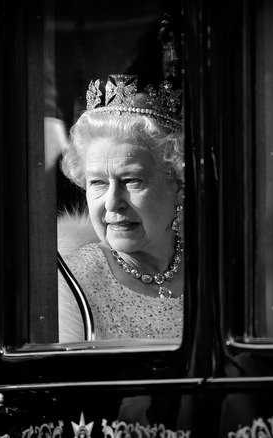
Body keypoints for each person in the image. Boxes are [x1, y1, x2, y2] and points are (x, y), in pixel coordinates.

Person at [57, 73, 185, 342]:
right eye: (98, 183)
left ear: (178, 184)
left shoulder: (217, 270)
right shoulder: (67, 285)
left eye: (131, 180)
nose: (113, 202)